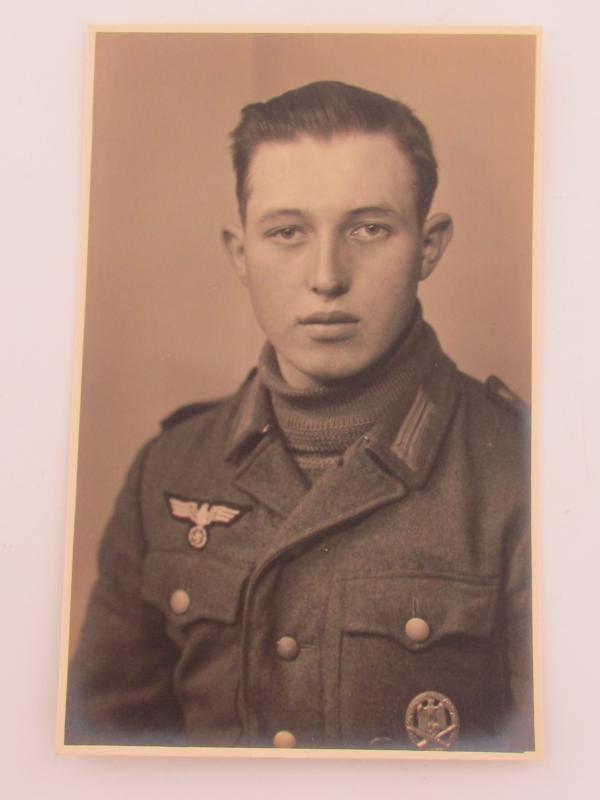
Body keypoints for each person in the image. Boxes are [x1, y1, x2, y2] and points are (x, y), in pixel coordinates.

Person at [65, 81, 533, 752]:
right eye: (287, 232)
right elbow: (101, 755)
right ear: (239, 253)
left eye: (369, 229)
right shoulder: (167, 469)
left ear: (428, 247)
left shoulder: (523, 476)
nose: (326, 276)